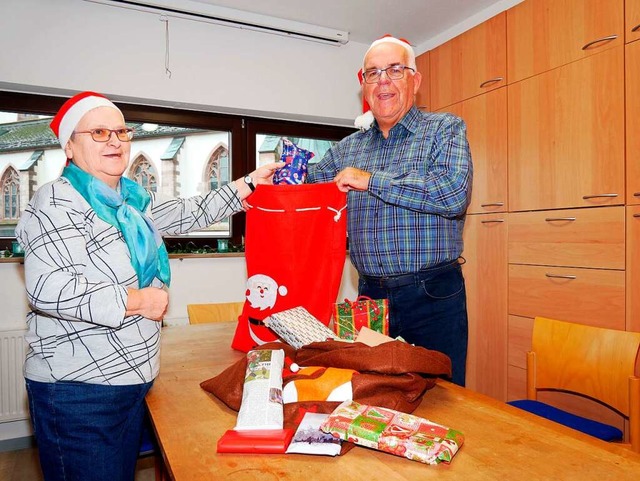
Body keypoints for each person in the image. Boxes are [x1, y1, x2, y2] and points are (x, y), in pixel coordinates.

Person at [15, 91, 283, 481]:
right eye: (99, 132)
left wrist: (247, 185)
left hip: (129, 379)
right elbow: (49, 288)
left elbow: (185, 212)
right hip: (80, 390)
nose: (115, 141)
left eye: (122, 132)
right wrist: (138, 300)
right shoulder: (55, 203)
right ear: (69, 146)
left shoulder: (129, 202)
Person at [307, 36, 473, 386]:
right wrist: (261, 185)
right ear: (363, 85)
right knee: (374, 393)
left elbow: (453, 193)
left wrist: (371, 181)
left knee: (442, 397)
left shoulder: (444, 129)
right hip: (370, 297)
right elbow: (306, 195)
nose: (383, 80)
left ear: (415, 79)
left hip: (432, 295)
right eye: (373, 73)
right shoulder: (345, 150)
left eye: (395, 70)